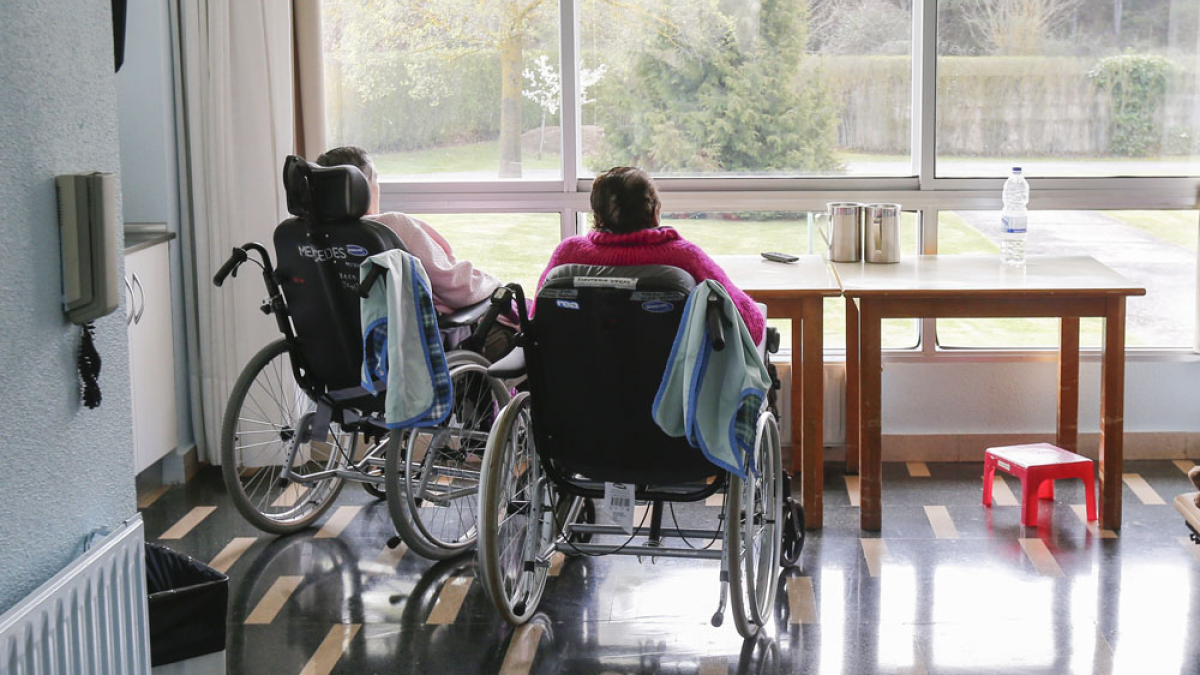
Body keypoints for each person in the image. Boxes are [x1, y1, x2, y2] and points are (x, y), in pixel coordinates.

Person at [316, 146, 514, 359]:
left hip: (344, 348)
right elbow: (455, 286)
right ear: (364, 185)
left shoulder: (310, 236)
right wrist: (492, 284)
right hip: (409, 349)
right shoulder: (390, 227)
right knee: (520, 331)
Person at [537, 166, 765, 343]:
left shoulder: (568, 254)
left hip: (578, 396)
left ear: (597, 214)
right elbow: (751, 328)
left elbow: (537, 320)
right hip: (675, 401)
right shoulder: (685, 258)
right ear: (655, 212)